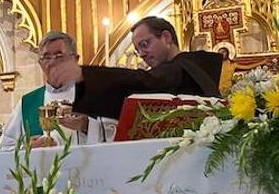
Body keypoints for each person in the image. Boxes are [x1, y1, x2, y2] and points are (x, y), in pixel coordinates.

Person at [47, 16, 225, 120]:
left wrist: (83, 75)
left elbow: (145, 82)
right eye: (138, 49)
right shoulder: (184, 68)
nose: (141, 54)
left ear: (166, 37)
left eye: (145, 44)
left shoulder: (183, 68)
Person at [0, 31, 116, 151]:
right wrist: (27, 147)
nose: (52, 62)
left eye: (59, 56)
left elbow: (120, 137)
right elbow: (3, 149)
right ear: (40, 63)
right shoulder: (28, 103)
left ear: (75, 59)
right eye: (46, 57)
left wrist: (86, 126)